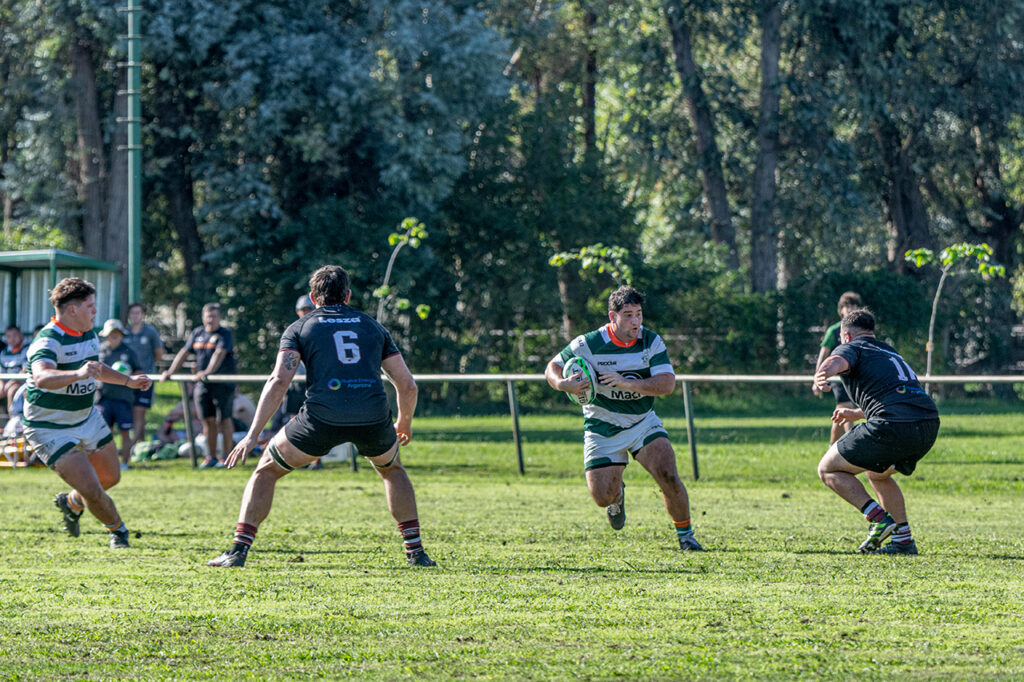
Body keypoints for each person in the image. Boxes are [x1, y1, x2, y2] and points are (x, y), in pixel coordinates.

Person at [207, 265, 434, 568]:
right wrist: (404, 422)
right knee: (392, 469)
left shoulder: (301, 327)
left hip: (321, 419)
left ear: (313, 298)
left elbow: (278, 382)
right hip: (372, 417)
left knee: (266, 470)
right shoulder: (373, 327)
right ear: (348, 295)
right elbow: (407, 384)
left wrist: (252, 436)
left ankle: (238, 550)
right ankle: (416, 552)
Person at [544, 285, 703, 552]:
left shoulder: (650, 341)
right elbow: (553, 366)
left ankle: (686, 536)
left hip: (643, 422)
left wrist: (626, 383)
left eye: (639, 314)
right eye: (628, 315)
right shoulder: (589, 344)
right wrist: (562, 384)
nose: (636, 322)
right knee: (602, 497)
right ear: (612, 317)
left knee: (669, 476)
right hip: (602, 425)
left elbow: (666, 384)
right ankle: (617, 497)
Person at [23, 277, 151, 548]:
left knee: (110, 478)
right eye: (90, 306)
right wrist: (77, 373)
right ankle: (119, 532)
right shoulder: (48, 340)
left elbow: (96, 368)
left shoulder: (89, 334)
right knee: (92, 489)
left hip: (86, 418)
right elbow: (43, 377)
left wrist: (129, 381)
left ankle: (70, 502)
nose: (95, 311)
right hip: (49, 427)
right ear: (73, 310)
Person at [814, 308, 940, 555]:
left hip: (892, 425)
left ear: (846, 336)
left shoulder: (852, 347)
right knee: (877, 473)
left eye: (841, 338)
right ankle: (903, 540)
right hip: (927, 424)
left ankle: (878, 519)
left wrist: (823, 374)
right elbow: (898, 395)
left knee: (827, 469)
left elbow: (836, 360)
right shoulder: (889, 352)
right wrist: (857, 414)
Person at [160, 302, 237, 468]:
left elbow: (219, 354)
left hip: (222, 383)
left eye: (214, 316)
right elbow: (184, 353)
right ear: (203, 317)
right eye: (208, 316)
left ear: (219, 318)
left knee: (223, 420)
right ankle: (211, 457)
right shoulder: (197, 333)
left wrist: (207, 372)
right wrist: (170, 371)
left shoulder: (225, 334)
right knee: (207, 421)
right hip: (203, 384)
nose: (211, 319)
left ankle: (227, 457)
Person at [813, 291, 862, 445]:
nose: (850, 309)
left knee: (840, 412)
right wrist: (818, 377)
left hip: (853, 377)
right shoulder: (833, 330)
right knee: (847, 408)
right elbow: (823, 354)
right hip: (838, 377)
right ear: (841, 310)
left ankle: (832, 447)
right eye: (846, 306)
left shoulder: (861, 330)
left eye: (853, 306)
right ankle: (852, 447)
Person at [96, 319, 142, 470]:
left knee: (124, 432)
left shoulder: (129, 351)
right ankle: (107, 463)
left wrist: (128, 374)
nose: (114, 336)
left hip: (123, 399)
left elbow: (139, 371)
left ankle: (124, 463)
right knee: (105, 434)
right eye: (111, 334)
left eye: (117, 333)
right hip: (103, 398)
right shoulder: (100, 350)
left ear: (122, 335)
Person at [122, 302, 164, 444]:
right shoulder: (124, 332)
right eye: (132, 313)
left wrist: (148, 368)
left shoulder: (150, 332)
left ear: (143, 315)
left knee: (140, 410)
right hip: (128, 378)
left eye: (138, 313)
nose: (135, 316)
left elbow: (159, 354)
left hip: (146, 377)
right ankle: (140, 442)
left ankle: (134, 445)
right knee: (132, 411)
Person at [0, 325, 30, 410]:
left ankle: (13, 419)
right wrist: (2, 384)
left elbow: (25, 369)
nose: (12, 339)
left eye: (15, 335)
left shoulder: (27, 349)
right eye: (9, 336)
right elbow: (2, 371)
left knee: (12, 391)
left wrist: (10, 382)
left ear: (21, 335)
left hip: (22, 382)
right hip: (6, 382)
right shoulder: (4, 352)